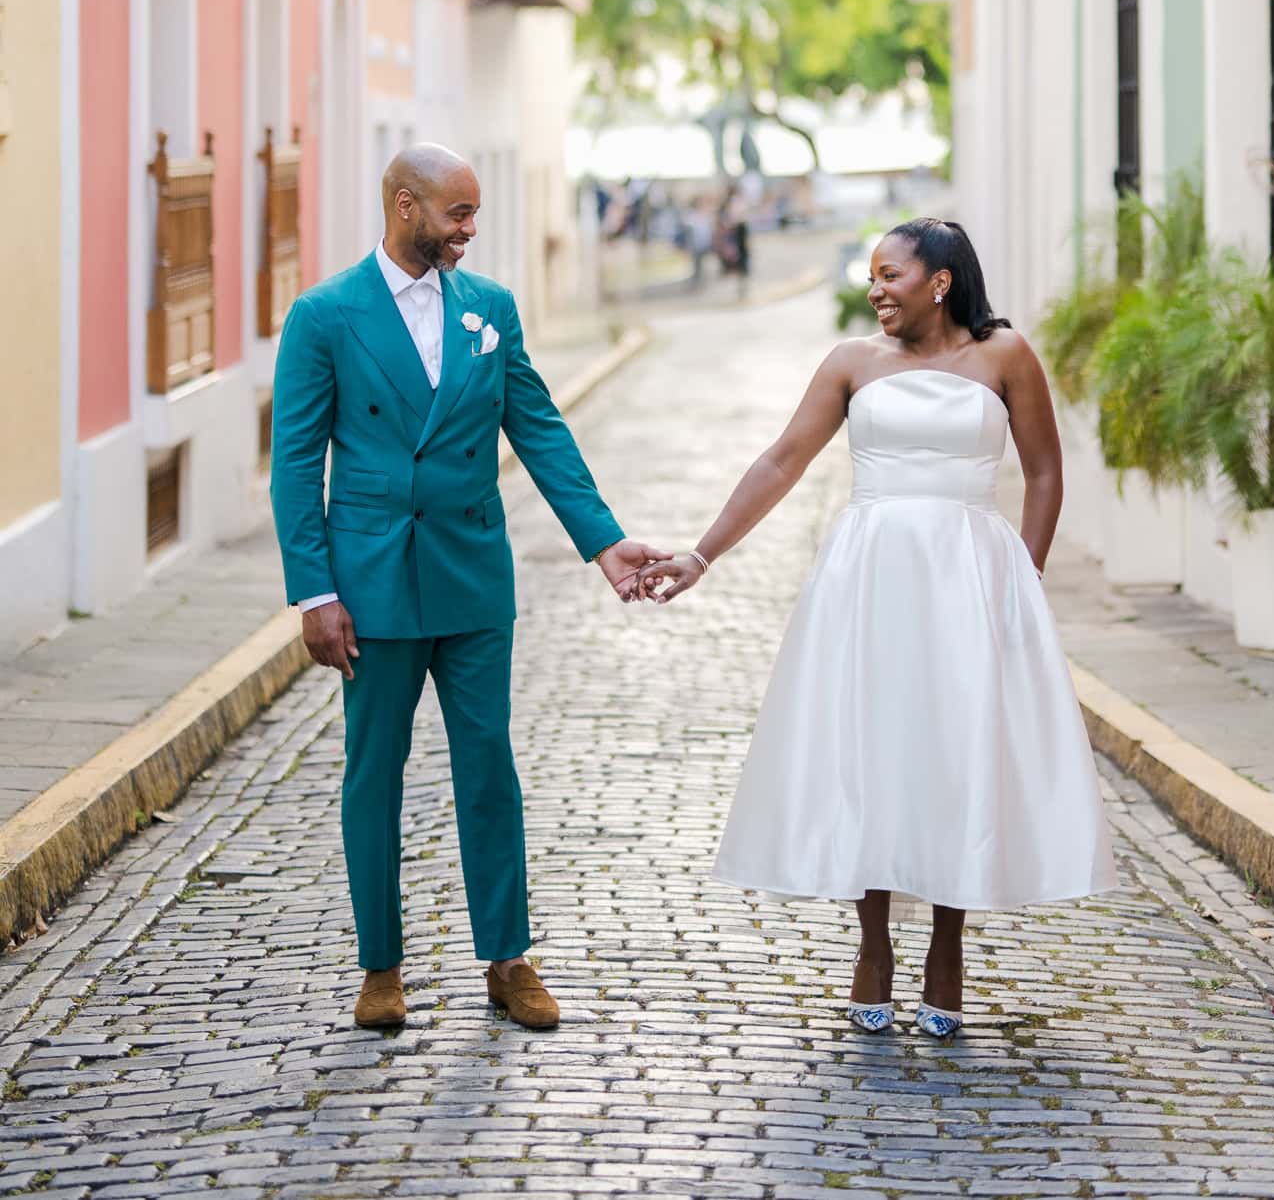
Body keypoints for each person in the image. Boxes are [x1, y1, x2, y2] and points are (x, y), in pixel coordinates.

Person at [638, 217, 1115, 1037]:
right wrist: (701, 554)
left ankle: (948, 948)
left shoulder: (1005, 357)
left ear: (939, 281)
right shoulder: (851, 364)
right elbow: (782, 459)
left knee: (961, 752)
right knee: (873, 750)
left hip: (970, 578)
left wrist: (1023, 582)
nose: (875, 289)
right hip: (870, 581)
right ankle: (872, 947)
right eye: (871, 275)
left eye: (890, 274)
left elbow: (1044, 472)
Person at [270, 143, 664, 1034]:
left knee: (489, 766)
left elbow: (538, 425)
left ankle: (508, 958)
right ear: (406, 206)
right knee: (375, 774)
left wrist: (602, 541)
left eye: (475, 214)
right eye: (459, 215)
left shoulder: (490, 309)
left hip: (474, 574)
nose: (470, 232)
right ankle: (381, 967)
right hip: (370, 583)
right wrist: (313, 592)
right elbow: (295, 464)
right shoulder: (324, 316)